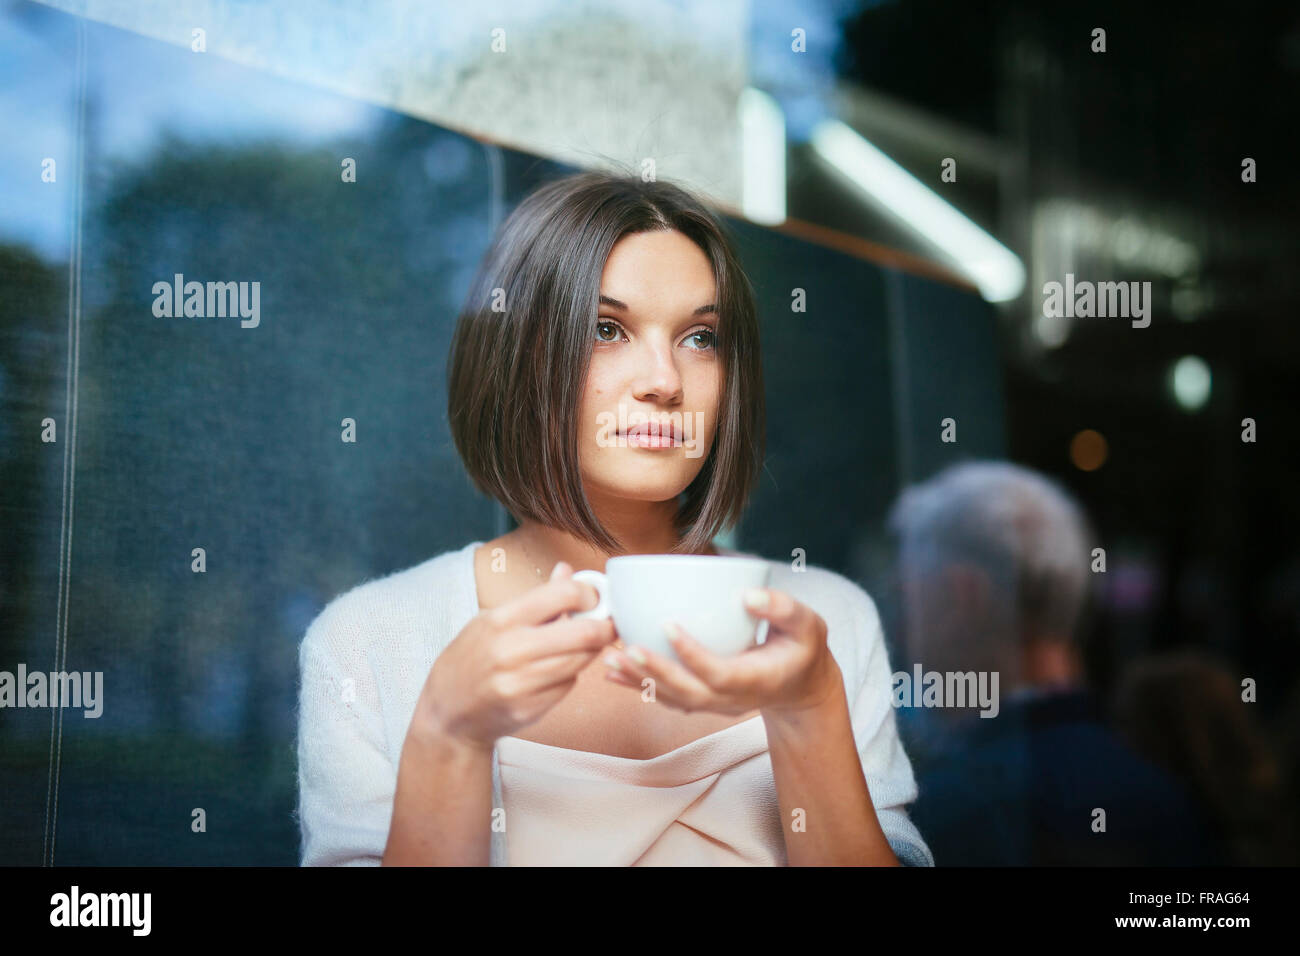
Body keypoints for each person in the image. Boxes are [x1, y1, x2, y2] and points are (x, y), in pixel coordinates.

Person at [296, 168, 933, 866]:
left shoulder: (827, 623)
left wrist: (810, 713)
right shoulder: (367, 644)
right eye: (607, 328)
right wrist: (447, 735)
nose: (663, 381)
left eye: (700, 338)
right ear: (517, 360)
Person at [887, 460, 1223, 865]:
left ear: (964, 597)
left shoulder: (952, 815)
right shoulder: (1173, 793)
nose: (901, 632)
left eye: (910, 603)